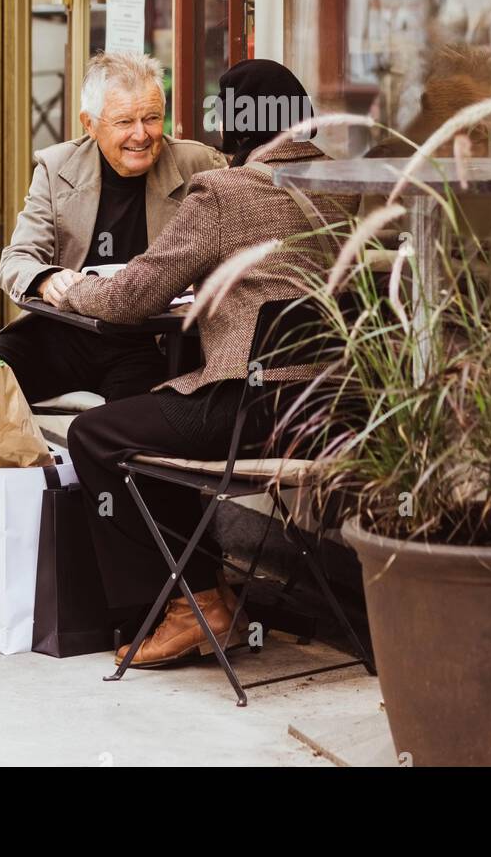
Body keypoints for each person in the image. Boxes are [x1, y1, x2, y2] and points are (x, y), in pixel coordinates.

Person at [0, 51, 225, 634]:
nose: (143, 135)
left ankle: (138, 592)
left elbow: (231, 248)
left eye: (153, 117)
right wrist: (48, 278)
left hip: (148, 345)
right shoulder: (58, 167)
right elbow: (16, 260)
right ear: (89, 123)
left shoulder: (198, 165)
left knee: (127, 429)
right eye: (125, 122)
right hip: (67, 332)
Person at [52, 58, 356, 667]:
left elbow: (131, 297)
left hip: (252, 411)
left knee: (95, 434)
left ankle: (192, 605)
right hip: (336, 411)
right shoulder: (348, 185)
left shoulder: (224, 193)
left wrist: (67, 286)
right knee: (154, 405)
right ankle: (216, 595)